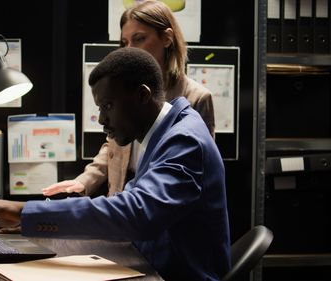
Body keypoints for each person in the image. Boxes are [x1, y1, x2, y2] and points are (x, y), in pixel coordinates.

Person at [0, 47, 231, 281]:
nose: (101, 119)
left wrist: (25, 211)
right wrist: (33, 222)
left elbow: (136, 214)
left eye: (108, 106)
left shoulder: (185, 141)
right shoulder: (164, 133)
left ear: (143, 95)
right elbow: (130, 202)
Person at [42, 0, 215, 198]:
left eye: (139, 38)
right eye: (124, 43)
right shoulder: (126, 90)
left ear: (167, 38)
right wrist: (83, 182)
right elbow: (113, 145)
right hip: (121, 200)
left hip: (160, 208)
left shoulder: (196, 98)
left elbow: (197, 169)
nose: (129, 49)